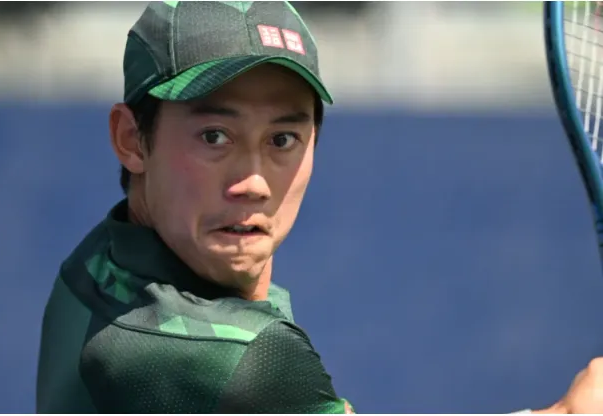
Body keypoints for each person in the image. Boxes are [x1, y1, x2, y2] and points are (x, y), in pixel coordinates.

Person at [35, 1, 603, 413]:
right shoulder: (237, 359)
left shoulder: (99, 263)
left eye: (282, 140)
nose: (254, 181)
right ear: (132, 139)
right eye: (214, 136)